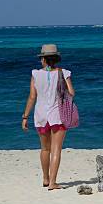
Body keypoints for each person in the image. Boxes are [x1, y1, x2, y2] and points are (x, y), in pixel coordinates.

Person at [21, 44, 75, 191]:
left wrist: (25, 117)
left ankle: (45, 179)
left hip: (40, 115)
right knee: (56, 149)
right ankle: (53, 182)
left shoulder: (35, 74)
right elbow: (71, 93)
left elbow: (32, 97)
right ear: (56, 59)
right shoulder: (64, 73)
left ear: (43, 59)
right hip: (58, 115)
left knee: (45, 149)